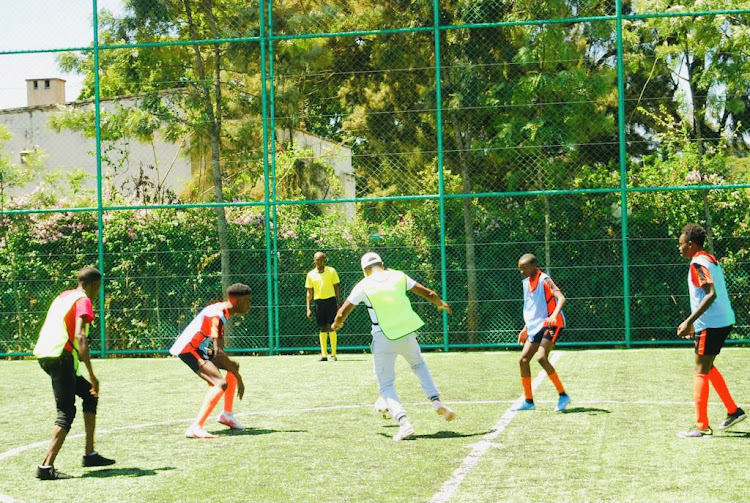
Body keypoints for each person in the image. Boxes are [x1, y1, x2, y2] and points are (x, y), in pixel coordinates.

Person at [332, 252, 456, 441]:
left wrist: (336, 325)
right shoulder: (399, 275)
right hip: (407, 333)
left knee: (386, 384)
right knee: (418, 365)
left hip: (383, 338)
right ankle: (436, 401)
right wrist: (440, 304)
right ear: (382, 263)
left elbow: (342, 313)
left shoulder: (363, 285)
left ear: (365, 270)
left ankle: (404, 423)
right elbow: (429, 293)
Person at [33, 266, 115, 480]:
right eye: (97, 287)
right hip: (61, 356)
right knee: (66, 412)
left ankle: (90, 454)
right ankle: (46, 467)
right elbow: (80, 336)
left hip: (47, 353)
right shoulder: (83, 300)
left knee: (89, 394)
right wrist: (93, 374)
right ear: (90, 285)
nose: (97, 293)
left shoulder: (64, 296)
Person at [676, 223, 745, 437]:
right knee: (708, 366)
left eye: (681, 244)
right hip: (722, 320)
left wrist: (689, 321)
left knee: (700, 370)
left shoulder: (697, 263)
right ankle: (733, 411)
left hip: (712, 323)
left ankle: (701, 426)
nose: (679, 248)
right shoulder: (709, 259)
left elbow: (710, 294)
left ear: (691, 244)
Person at [170, 283, 252, 438]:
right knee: (220, 383)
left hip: (198, 347)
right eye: (248, 301)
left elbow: (218, 353)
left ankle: (227, 415)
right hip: (188, 349)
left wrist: (233, 370)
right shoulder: (218, 316)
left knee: (233, 366)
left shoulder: (223, 310)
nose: (250, 305)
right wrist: (239, 378)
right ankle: (196, 427)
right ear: (238, 302)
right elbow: (219, 353)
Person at [514, 253, 570, 412]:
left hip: (553, 323)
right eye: (520, 269)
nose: (522, 271)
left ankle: (563, 395)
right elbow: (532, 308)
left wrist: (553, 316)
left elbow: (561, 298)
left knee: (541, 357)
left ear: (533, 266)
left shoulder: (544, 279)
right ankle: (528, 401)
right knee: (523, 360)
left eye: (524, 268)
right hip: (536, 325)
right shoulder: (526, 283)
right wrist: (526, 328)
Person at [305, 251, 341, 361]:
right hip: (318, 302)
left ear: (324, 260)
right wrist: (308, 308)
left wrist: (338, 304)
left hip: (331, 301)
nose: (319, 261)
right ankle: (324, 354)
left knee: (332, 326)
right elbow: (309, 293)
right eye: (317, 259)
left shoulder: (331, 271)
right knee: (322, 327)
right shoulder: (310, 274)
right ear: (314, 260)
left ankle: (333, 354)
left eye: (321, 259)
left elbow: (336, 288)